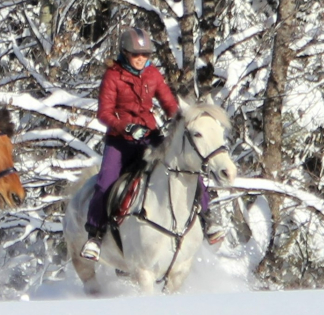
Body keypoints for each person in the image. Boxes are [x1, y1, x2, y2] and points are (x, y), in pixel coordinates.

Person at [81, 27, 221, 260]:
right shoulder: (113, 76)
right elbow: (104, 113)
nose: (141, 59)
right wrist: (125, 126)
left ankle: (207, 220)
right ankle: (95, 235)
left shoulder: (152, 74)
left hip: (150, 136)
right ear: (125, 52)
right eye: (136, 54)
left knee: (188, 169)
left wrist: (181, 119)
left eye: (145, 55)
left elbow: (169, 103)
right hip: (120, 141)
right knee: (105, 182)